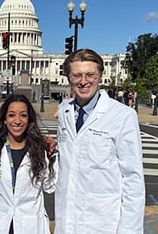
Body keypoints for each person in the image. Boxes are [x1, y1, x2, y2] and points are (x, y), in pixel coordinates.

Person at [55, 49, 145, 233]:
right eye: (77, 75)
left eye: (90, 74)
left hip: (103, 222)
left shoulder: (123, 115)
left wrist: (130, 230)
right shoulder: (64, 111)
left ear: (100, 75)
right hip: (67, 219)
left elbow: (132, 178)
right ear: (68, 77)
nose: (83, 81)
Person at [0, 94, 57, 234]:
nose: (17, 121)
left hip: (31, 225)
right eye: (11, 115)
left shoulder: (40, 150)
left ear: (29, 119)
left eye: (23, 115)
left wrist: (53, 157)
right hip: (1, 225)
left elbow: (50, 186)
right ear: (4, 120)